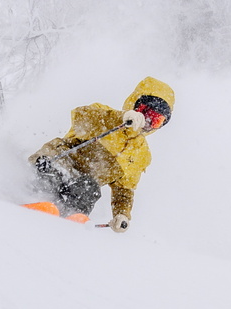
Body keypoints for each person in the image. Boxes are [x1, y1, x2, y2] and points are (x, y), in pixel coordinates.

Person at [28, 77, 174, 232]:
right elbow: (80, 118)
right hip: (60, 159)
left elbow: (124, 190)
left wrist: (122, 214)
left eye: (156, 120)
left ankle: (70, 219)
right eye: (146, 113)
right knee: (55, 172)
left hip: (80, 184)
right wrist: (120, 118)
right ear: (135, 105)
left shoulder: (140, 155)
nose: (148, 122)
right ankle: (34, 199)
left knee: (90, 188)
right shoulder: (106, 116)